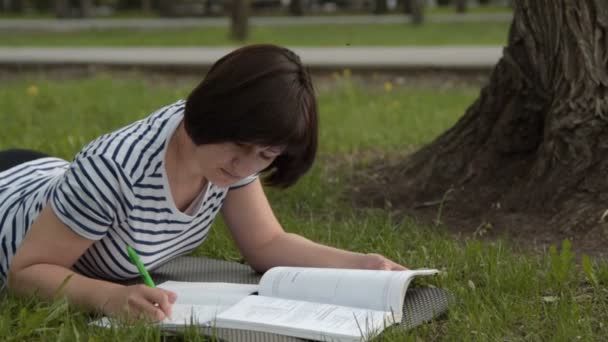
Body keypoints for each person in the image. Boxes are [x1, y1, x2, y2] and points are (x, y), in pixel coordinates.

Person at [1, 44, 405, 322]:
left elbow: (265, 244)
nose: (246, 166)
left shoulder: (229, 160)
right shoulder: (114, 170)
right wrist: (108, 297)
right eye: (241, 146)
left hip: (48, 178)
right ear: (214, 114)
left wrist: (362, 266)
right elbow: (26, 272)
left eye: (265, 156)